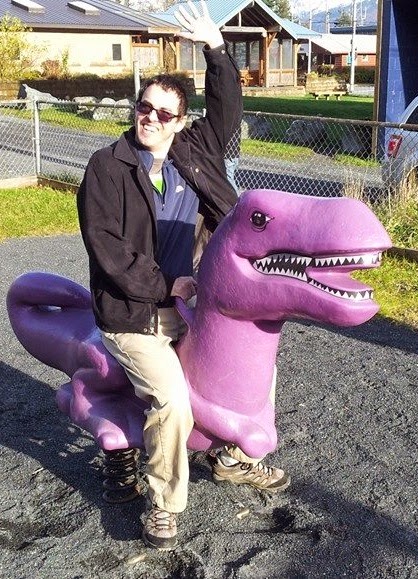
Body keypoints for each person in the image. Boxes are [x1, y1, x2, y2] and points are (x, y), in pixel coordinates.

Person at [77, 0, 289, 552]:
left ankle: (231, 455)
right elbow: (107, 249)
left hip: (189, 307)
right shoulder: (107, 167)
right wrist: (165, 286)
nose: (150, 118)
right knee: (172, 400)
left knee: (255, 369)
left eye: (164, 113)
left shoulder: (193, 154)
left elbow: (228, 110)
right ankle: (165, 503)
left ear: (179, 121)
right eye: (144, 107)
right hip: (134, 315)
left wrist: (216, 49)